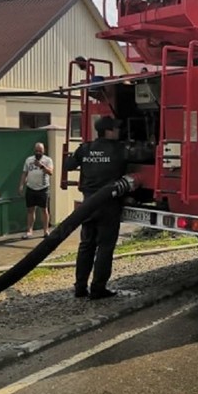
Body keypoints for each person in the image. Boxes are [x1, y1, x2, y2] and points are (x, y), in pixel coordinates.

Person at [65, 116, 128, 300]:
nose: (118, 131)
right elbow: (143, 156)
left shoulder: (85, 148)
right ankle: (98, 289)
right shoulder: (119, 149)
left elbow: (69, 165)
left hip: (88, 204)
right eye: (116, 128)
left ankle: (80, 287)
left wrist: (76, 156)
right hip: (108, 204)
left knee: (86, 245)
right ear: (108, 131)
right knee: (105, 247)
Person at [18, 142, 53, 239]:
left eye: (40, 151)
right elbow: (24, 173)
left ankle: (46, 231)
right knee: (30, 210)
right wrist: (21, 185)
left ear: (43, 151)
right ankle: (29, 231)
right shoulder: (29, 160)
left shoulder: (47, 160)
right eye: (36, 151)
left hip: (43, 188)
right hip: (31, 188)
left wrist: (41, 166)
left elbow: (50, 172)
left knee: (44, 209)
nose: (38, 153)